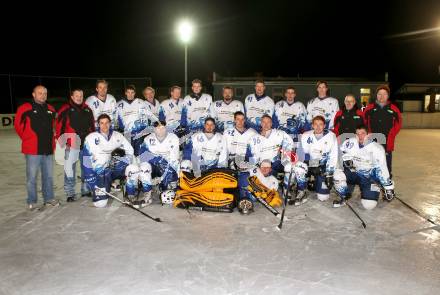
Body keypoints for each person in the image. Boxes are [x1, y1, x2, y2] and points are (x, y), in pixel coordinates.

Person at [82, 114, 143, 208]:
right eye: (102, 123)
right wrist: (90, 177)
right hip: (101, 173)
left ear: (110, 123)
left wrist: (124, 160)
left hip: (116, 169)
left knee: (133, 168)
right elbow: (86, 159)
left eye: (107, 123)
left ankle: (130, 194)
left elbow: (130, 151)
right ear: (98, 124)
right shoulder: (90, 138)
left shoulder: (118, 136)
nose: (104, 125)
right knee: (100, 204)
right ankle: (107, 186)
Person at [14, 85, 59, 210]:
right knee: (32, 177)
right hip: (32, 150)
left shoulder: (51, 109)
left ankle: (49, 198)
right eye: (40, 93)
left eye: (45, 93)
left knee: (48, 176)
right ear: (33, 94)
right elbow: (18, 126)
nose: (43, 95)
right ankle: (32, 201)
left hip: (48, 149)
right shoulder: (25, 108)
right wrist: (28, 138)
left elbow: (54, 126)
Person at [245, 114, 307, 204]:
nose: (266, 124)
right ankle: (275, 184)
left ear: (272, 123)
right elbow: (250, 157)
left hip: (278, 163)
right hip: (264, 168)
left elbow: (290, 146)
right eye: (264, 122)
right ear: (260, 124)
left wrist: (286, 155)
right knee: (266, 191)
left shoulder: (280, 134)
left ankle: (289, 189)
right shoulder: (253, 139)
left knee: (297, 166)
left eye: (268, 122)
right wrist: (256, 167)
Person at [333, 124, 395, 209]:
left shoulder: (377, 148)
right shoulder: (350, 143)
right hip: (354, 172)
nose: (360, 136)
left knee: (369, 206)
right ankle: (343, 196)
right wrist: (344, 159)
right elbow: (338, 152)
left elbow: (382, 168)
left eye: (362, 133)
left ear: (368, 135)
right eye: (357, 134)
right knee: (337, 174)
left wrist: (388, 187)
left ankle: (373, 187)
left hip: (368, 177)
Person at [55, 88, 95, 202]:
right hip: (71, 145)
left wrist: (91, 142)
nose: (79, 98)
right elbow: (59, 127)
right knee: (70, 170)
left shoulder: (87, 109)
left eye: (81, 96)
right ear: (72, 97)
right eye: (77, 96)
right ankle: (70, 193)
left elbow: (92, 127)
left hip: (86, 145)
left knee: (87, 168)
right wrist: (63, 143)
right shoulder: (65, 109)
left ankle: (86, 189)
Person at [363, 84, 402, 176]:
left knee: (386, 161)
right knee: (372, 160)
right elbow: (364, 122)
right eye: (379, 94)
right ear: (376, 95)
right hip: (372, 140)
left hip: (387, 140)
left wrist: (392, 134)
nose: (382, 96)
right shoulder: (369, 108)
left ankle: (387, 179)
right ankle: (373, 178)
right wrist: (367, 134)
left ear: (388, 96)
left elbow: (398, 123)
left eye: (384, 94)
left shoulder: (394, 109)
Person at [298, 115, 338, 203]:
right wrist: (313, 164)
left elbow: (333, 156)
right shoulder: (306, 135)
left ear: (324, 126)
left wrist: (329, 174)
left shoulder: (331, 136)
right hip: (311, 163)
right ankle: (301, 189)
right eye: (315, 124)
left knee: (323, 197)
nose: (318, 127)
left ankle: (315, 182)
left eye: (320, 124)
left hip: (323, 165)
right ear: (312, 125)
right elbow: (302, 154)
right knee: (298, 167)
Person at [138, 121, 180, 203]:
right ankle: (147, 192)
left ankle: (162, 186)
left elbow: (174, 158)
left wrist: (163, 177)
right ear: (154, 129)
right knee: (143, 167)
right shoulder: (148, 139)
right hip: (153, 165)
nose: (161, 130)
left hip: (168, 166)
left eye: (162, 128)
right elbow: (142, 155)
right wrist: (157, 159)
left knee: (168, 192)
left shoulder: (173, 138)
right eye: (158, 128)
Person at [116, 85, 157, 156]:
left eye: (132, 92)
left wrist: (156, 121)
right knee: (129, 153)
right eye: (128, 92)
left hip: (139, 133)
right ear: (125, 93)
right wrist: (120, 128)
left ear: (134, 93)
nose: (130, 94)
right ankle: (131, 166)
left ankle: (139, 165)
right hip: (127, 133)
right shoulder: (119, 104)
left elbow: (148, 113)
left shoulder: (140, 102)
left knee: (139, 153)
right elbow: (117, 118)